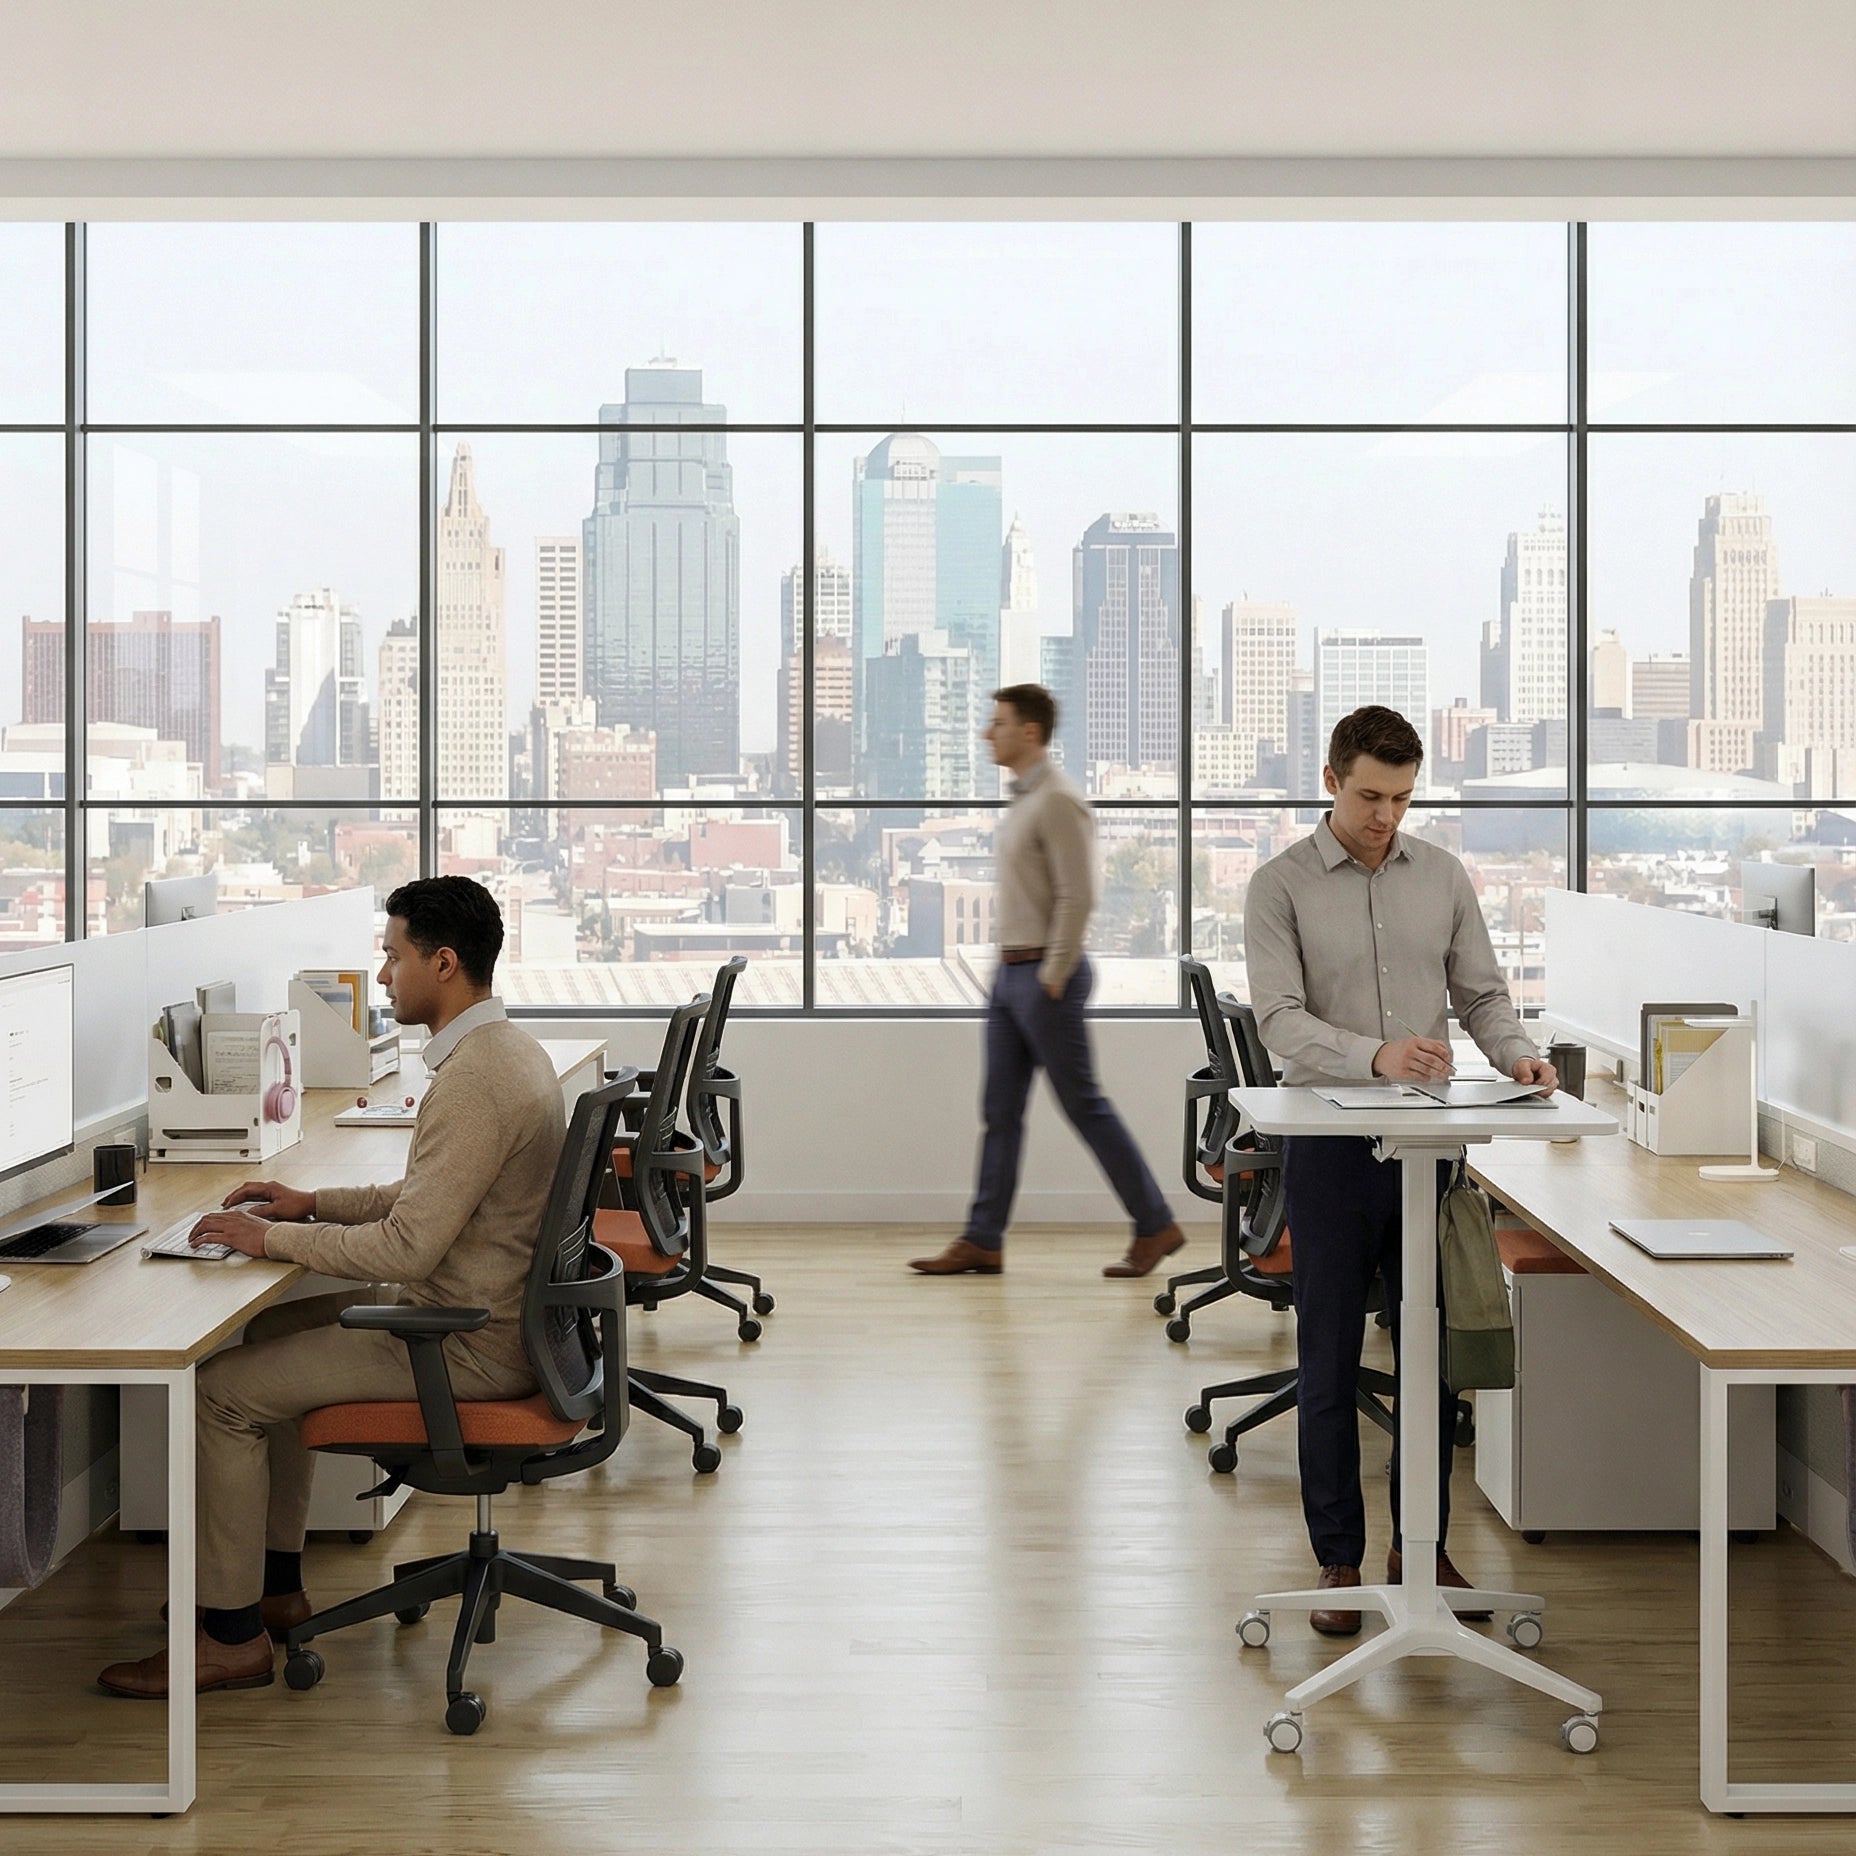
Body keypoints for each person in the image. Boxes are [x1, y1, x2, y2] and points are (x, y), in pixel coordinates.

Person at [98, 877, 567, 1698]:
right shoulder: (507, 1052)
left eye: (393, 955)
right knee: (272, 1333)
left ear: (443, 963)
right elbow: (426, 1197)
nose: (383, 975)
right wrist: (313, 1204)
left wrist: (268, 1237)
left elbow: (409, 1246)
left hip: (466, 1346)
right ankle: (275, 1586)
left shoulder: (474, 1081)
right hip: (492, 1322)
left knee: (220, 1394)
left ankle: (230, 1638)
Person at [1243, 705, 1556, 1636]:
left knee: (1432, 1362)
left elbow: (1483, 995)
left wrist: (1518, 1055)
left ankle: (1420, 1546)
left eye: (1403, 799)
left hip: (1428, 1154)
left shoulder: (1443, 877)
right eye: (1371, 796)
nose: (1386, 817)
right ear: (1331, 780)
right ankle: (1339, 1554)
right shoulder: (1279, 885)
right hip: (1332, 1154)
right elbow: (1279, 1019)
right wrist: (1375, 1055)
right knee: (1330, 1359)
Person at [911, 684, 1184, 1280]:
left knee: (1084, 1105)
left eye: (999, 722)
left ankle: (1155, 1223)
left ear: (1030, 731)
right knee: (999, 1111)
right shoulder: (1025, 800)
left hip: (1043, 976)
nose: (988, 733)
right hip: (1011, 976)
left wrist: (1053, 974)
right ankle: (983, 1239)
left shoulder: (1059, 800)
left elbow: (1078, 894)